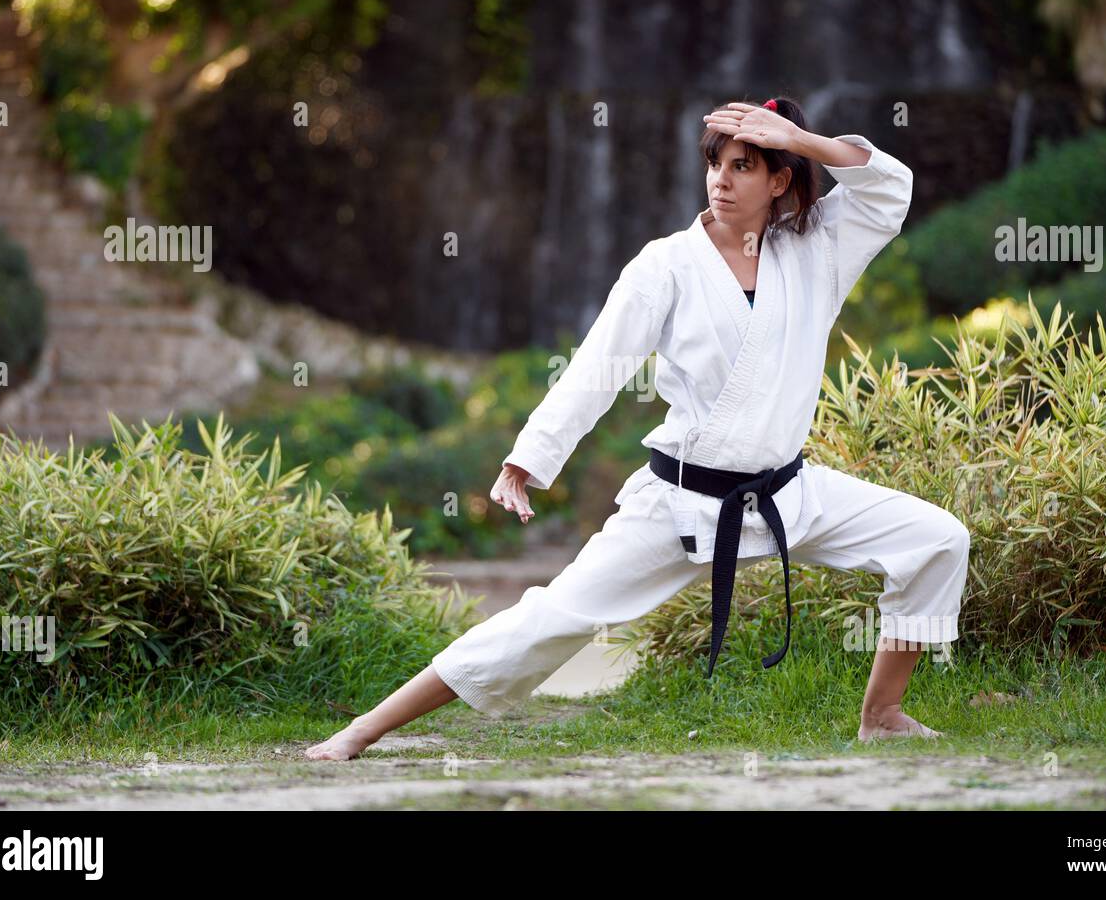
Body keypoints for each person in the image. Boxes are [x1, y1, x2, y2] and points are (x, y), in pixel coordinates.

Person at [306, 96, 969, 761]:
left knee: (937, 540)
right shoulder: (666, 265)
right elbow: (598, 366)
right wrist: (531, 457)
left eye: (743, 166)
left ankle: (882, 715)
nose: (722, 179)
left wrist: (802, 137)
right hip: (681, 503)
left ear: (780, 180)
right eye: (715, 163)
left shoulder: (818, 248)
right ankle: (365, 728)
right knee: (550, 620)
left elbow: (889, 186)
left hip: (787, 494)